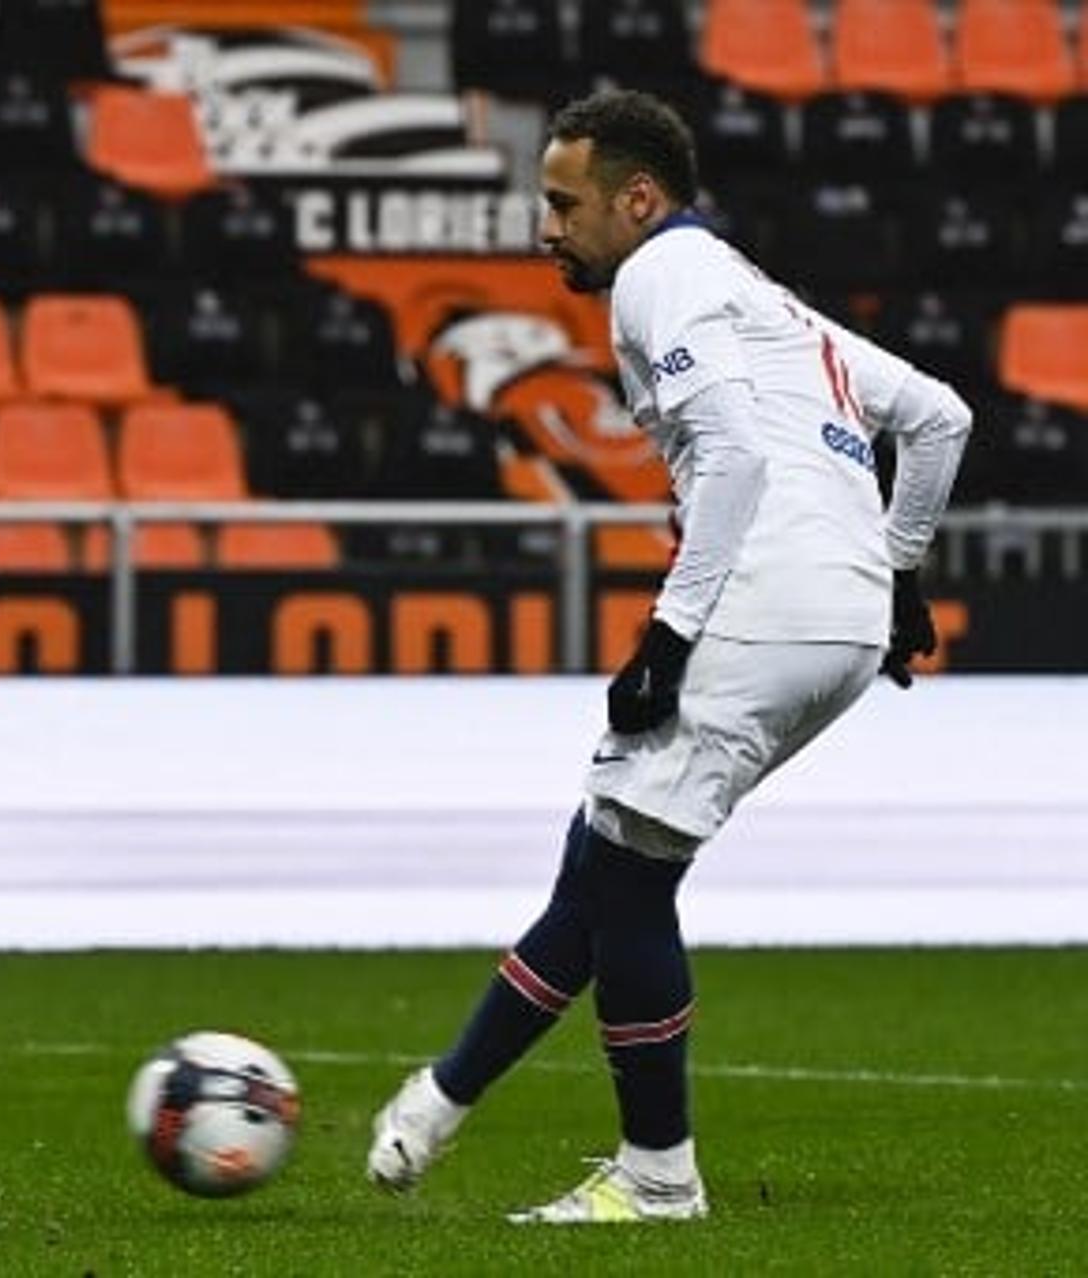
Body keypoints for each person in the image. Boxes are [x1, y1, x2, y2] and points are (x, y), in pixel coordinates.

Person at [365, 88, 972, 1223]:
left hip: (765, 598)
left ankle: (656, 1177)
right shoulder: (759, 296)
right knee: (606, 858)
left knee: (630, 880)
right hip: (832, 619)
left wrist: (670, 634)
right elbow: (938, 417)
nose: (546, 228)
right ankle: (435, 1107)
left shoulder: (660, 278)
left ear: (636, 200)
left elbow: (737, 456)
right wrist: (895, 572)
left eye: (564, 202)